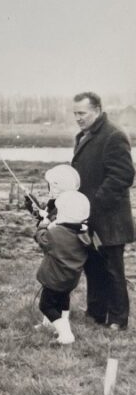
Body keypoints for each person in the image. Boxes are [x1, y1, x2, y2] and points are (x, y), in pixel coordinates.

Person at [70, 92, 135, 330]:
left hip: (110, 219)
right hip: (89, 217)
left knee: (112, 270)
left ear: (97, 110)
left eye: (82, 113)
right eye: (74, 113)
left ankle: (118, 320)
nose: (77, 118)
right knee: (93, 267)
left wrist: (93, 205)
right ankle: (96, 314)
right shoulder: (84, 136)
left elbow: (122, 177)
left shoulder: (113, 136)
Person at [34, 191, 91, 344]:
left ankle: (65, 334)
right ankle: (54, 323)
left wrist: (43, 224)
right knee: (63, 298)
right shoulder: (84, 233)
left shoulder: (56, 233)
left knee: (46, 305)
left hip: (54, 278)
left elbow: (40, 238)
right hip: (70, 278)